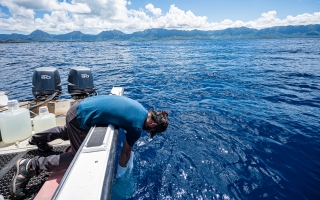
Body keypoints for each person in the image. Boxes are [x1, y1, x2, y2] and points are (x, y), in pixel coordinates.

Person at [11, 95, 169, 199]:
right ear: (153, 124)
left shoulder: (141, 110)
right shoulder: (137, 126)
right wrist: (120, 177)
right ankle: (30, 166)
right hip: (79, 117)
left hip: (81, 108)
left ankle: (38, 139)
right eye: (151, 131)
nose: (148, 132)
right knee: (78, 158)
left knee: (69, 130)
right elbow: (125, 153)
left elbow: (127, 135)